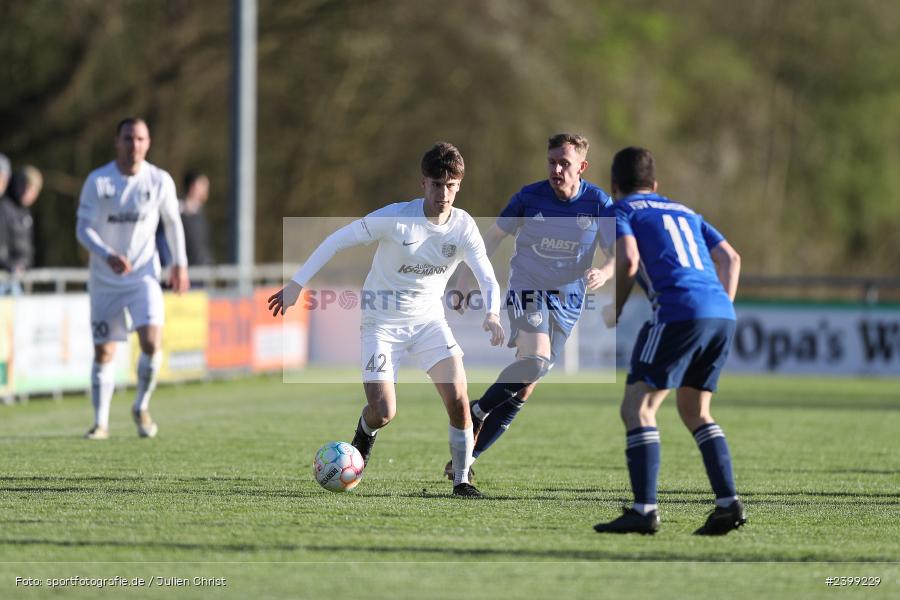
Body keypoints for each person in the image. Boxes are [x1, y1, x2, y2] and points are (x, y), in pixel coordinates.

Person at [268, 142, 505, 497]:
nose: (444, 193)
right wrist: (297, 283)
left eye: (451, 185)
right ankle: (364, 435)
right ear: (423, 183)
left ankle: (462, 480)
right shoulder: (396, 218)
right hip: (381, 323)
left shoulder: (464, 227)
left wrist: (492, 313)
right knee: (383, 411)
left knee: (458, 399)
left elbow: (485, 274)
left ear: (459, 185)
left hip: (429, 324)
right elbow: (336, 240)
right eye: (437, 184)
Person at [593, 146, 744, 536]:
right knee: (695, 410)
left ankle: (644, 511)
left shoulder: (621, 210)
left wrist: (618, 308)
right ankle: (727, 504)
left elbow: (627, 260)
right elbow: (731, 258)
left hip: (678, 313)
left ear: (614, 185)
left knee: (636, 408)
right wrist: (717, 308)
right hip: (721, 314)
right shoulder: (686, 211)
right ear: (655, 185)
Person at [444, 133, 614, 480]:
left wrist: (605, 273)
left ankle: (468, 457)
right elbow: (490, 239)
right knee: (534, 360)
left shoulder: (599, 203)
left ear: (582, 167)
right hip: (527, 287)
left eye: (564, 163)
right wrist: (463, 279)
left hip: (567, 302)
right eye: (552, 161)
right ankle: (477, 412)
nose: (556, 168)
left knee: (525, 386)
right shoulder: (529, 197)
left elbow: (616, 256)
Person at [76, 118, 189, 440]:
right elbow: (82, 228)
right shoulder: (99, 181)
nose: (134, 145)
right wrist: (107, 253)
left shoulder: (159, 180)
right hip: (105, 280)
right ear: (117, 142)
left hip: (144, 277)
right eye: (128, 138)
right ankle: (100, 423)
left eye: (140, 139)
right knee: (105, 352)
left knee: (152, 342)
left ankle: (141, 405)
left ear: (148, 142)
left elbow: (172, 222)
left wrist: (180, 263)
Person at [0, 166, 43, 283]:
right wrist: (10, 265)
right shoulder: (3, 207)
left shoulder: (26, 213)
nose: (27, 193)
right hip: (5, 275)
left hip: (19, 275)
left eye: (32, 191)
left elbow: (27, 249)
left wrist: (25, 264)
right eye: (25, 187)